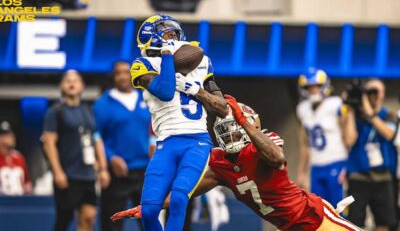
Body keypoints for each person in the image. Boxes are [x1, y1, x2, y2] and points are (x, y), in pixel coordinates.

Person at [111, 95, 362, 230]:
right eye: (226, 129)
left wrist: (244, 123)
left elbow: (278, 158)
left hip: (314, 218)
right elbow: (187, 192)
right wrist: (151, 206)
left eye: (235, 127)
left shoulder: (264, 146)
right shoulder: (220, 164)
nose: (229, 134)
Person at [130, 14, 227, 231]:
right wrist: (166, 54)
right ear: (150, 38)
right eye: (166, 34)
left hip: (197, 141)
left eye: (174, 34)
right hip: (165, 142)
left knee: (179, 199)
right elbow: (164, 92)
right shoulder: (142, 64)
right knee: (148, 211)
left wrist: (194, 89)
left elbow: (221, 108)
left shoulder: (203, 62)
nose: (172, 38)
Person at [42, 69, 110, 231]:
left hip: (87, 175)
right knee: (64, 221)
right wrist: (57, 172)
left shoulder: (88, 110)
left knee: (89, 218)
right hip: (68, 175)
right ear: (61, 86)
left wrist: (103, 168)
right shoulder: (55, 111)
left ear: (82, 86)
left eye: (75, 80)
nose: (71, 83)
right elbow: (49, 143)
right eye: (67, 80)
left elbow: (96, 139)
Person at [94, 61, 156, 231]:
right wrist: (110, 157)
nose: (123, 76)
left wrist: (153, 144)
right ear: (113, 77)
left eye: (126, 72)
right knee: (111, 224)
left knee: (149, 223)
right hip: (117, 174)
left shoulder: (146, 98)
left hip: (145, 172)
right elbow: (95, 135)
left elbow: (154, 129)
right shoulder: (102, 104)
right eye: (118, 73)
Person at [343, 79, 397, 231]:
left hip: (383, 177)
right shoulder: (355, 116)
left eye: (375, 91)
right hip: (358, 177)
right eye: (368, 91)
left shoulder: (388, 115)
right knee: (354, 223)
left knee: (383, 221)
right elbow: (348, 140)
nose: (372, 95)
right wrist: (351, 109)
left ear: (382, 94)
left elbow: (390, 134)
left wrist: (371, 115)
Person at [296, 68, 353, 206]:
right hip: (316, 166)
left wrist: (347, 167)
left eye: (316, 86)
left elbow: (349, 137)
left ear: (324, 86)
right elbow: (305, 143)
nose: (313, 90)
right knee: (320, 210)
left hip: (336, 161)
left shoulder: (336, 104)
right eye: (309, 87)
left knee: (339, 209)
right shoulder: (303, 109)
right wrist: (301, 172)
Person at [0, 121, 32, 195]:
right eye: (5, 135)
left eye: (11, 134)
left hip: (19, 202)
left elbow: (27, 183)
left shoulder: (19, 157)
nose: (11, 137)